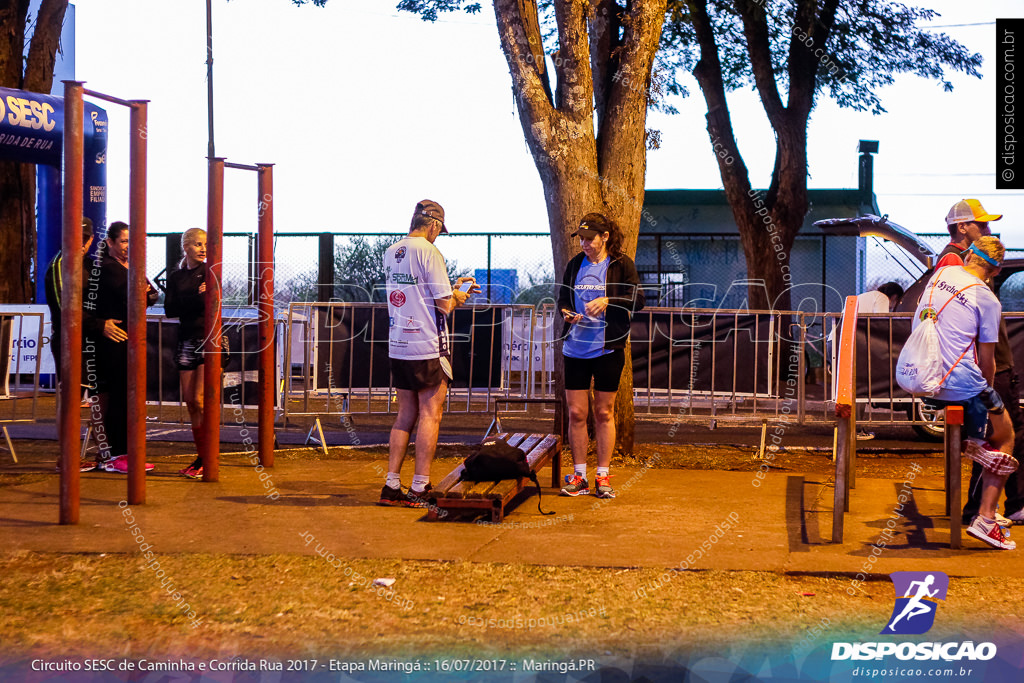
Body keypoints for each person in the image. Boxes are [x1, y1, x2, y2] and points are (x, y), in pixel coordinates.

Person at [915, 236, 1018, 550]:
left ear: (968, 255)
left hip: (922, 378)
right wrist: (987, 393)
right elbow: (988, 363)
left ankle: (976, 444)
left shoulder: (941, 276)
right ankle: (986, 517)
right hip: (958, 385)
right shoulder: (987, 299)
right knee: (1007, 435)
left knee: (985, 425)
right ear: (996, 270)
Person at [378, 200, 477, 507]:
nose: (438, 236)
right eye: (439, 231)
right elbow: (444, 304)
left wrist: (450, 290)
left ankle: (391, 484)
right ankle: (420, 486)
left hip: (398, 342)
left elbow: (418, 293)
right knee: (431, 414)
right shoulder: (429, 251)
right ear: (433, 224)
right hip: (427, 344)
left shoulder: (392, 251)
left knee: (404, 415)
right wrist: (459, 294)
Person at [557, 213, 645, 499]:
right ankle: (579, 474)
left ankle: (603, 475)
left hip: (608, 348)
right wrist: (566, 314)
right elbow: (563, 300)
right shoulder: (574, 265)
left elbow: (638, 299)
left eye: (589, 239)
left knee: (604, 412)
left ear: (604, 237)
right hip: (575, 349)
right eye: (581, 239)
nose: (584, 244)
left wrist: (609, 299)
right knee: (576, 413)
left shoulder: (621, 265)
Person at [86, 221, 159, 474]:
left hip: (126, 339)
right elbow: (137, 293)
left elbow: (152, 294)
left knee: (125, 397)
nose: (130, 246)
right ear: (110, 243)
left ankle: (116, 452)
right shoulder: (108, 268)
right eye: (125, 241)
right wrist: (144, 293)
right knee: (119, 397)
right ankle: (116, 454)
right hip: (113, 342)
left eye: (134, 241)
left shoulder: (129, 268)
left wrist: (146, 293)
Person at [44, 217, 104, 472]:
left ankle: (106, 452)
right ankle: (67, 457)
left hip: (93, 340)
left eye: (84, 239)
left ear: (90, 240)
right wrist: (100, 324)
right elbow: (66, 309)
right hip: (70, 342)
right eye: (74, 238)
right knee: (70, 398)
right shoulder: (59, 265)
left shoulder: (92, 264)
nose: (79, 244)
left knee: (99, 396)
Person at [164, 228, 208, 479]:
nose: (203, 249)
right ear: (186, 247)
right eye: (197, 244)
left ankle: (207, 457)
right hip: (186, 339)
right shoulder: (177, 277)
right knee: (191, 401)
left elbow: (208, 302)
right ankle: (200, 456)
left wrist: (189, 301)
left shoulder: (210, 272)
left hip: (208, 339)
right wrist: (195, 297)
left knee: (201, 399)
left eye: (205, 244)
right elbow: (170, 308)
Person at [852, 282, 904, 440]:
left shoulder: (868, 296)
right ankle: (856, 429)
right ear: (894, 297)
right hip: (853, 344)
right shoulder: (881, 298)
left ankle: (853, 428)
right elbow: (882, 323)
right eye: (896, 301)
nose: (893, 306)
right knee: (859, 386)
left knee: (855, 387)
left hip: (839, 341)